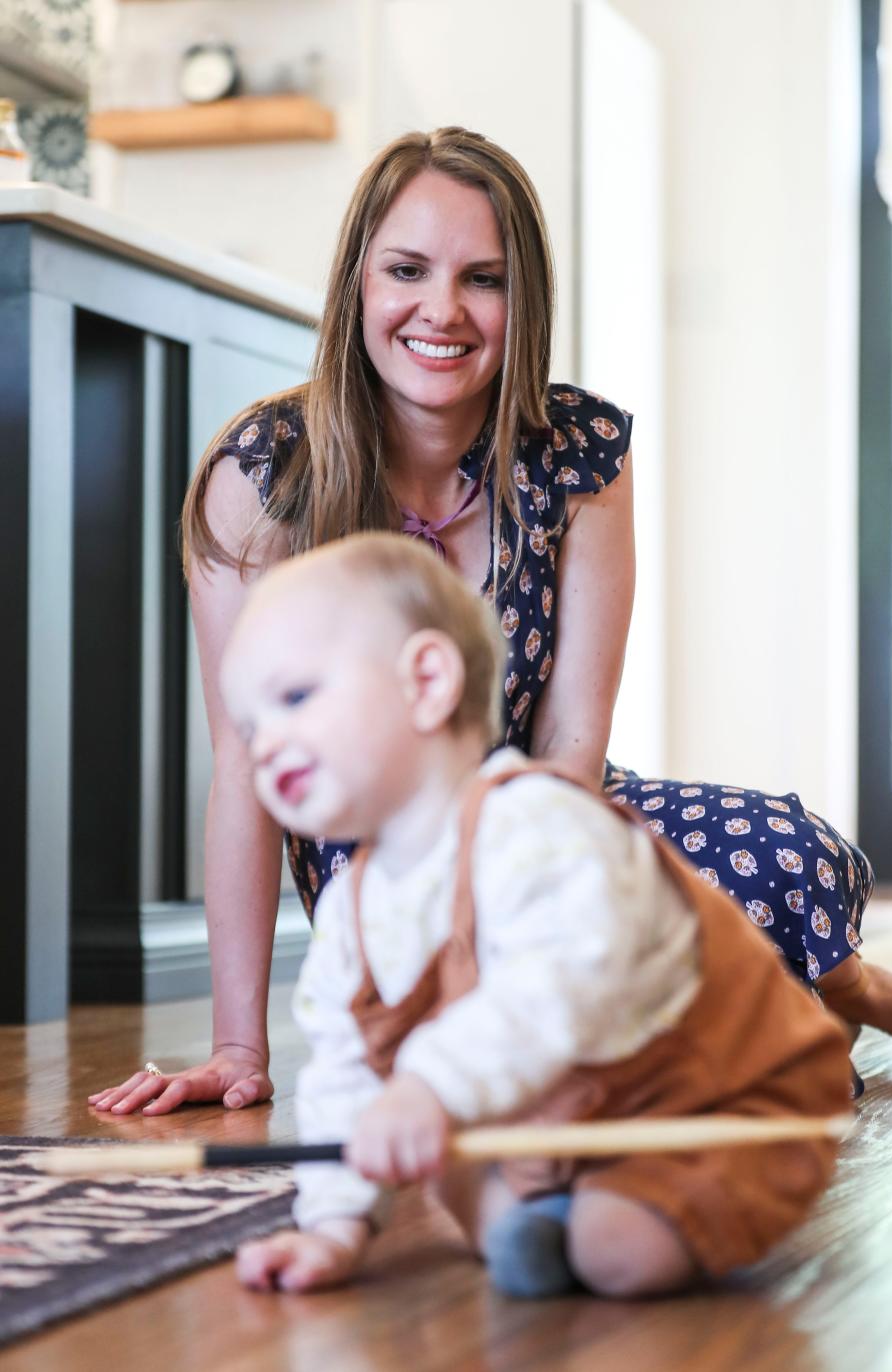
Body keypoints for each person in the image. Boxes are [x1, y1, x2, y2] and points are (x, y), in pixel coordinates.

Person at [88, 126, 892, 1119]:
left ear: (524, 297)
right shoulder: (261, 475)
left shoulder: (582, 453)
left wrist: (539, 908)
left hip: (546, 816)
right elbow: (245, 768)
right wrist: (238, 1048)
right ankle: (784, 1011)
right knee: (571, 1028)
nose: (443, 310)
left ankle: (854, 989)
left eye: (484, 279)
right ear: (357, 287)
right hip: (388, 867)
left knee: (777, 856)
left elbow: (572, 745)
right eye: (407, 270)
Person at [223, 532, 852, 1298]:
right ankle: (537, 1208)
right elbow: (342, 1070)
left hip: (709, 1097)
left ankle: (588, 1216)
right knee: (431, 1146)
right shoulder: (355, 905)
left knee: (618, 1252)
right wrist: (333, 1224)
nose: (265, 745)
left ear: (426, 681)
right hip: (559, 1116)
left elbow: (563, 987)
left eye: (293, 698)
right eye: (250, 728)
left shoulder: (536, 823)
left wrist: (428, 1087)